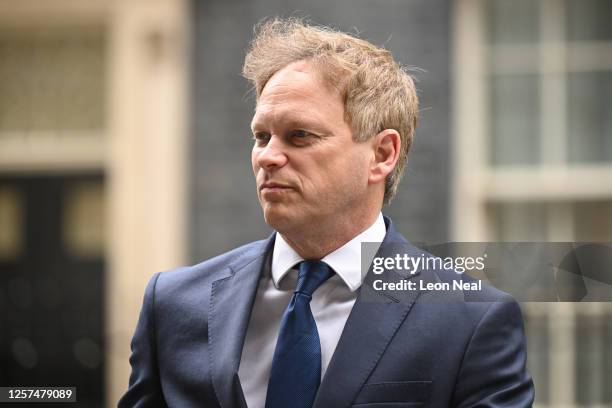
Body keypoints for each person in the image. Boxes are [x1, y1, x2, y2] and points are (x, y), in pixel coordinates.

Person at [119, 18, 534, 408]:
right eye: (261, 136)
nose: (268, 157)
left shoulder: (472, 320)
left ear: (382, 154)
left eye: (299, 136)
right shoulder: (173, 304)